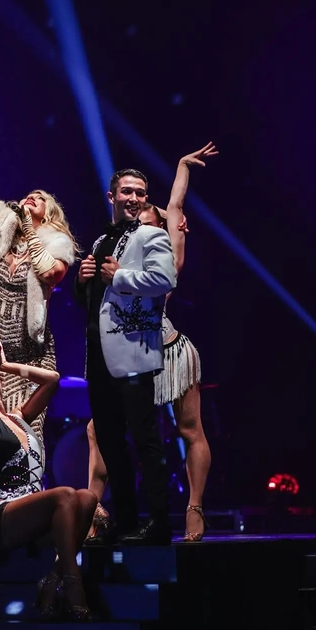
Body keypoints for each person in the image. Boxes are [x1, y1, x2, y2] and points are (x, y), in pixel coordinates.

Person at [85, 143, 218, 543]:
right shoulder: (114, 242)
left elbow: (175, 203)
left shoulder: (163, 238)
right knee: (101, 431)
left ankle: (194, 507)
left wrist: (180, 166)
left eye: (147, 205)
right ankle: (97, 509)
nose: (141, 209)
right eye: (130, 198)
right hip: (121, 348)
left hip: (165, 345)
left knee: (186, 429)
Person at [0, 332, 98, 620]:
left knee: (88, 498)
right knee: (66, 494)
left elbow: (52, 379)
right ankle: (73, 584)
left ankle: (53, 579)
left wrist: (4, 363)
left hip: (33, 512)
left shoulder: (18, 416)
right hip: (3, 515)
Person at [0, 95, 78, 447]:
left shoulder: (57, 244)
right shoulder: (1, 237)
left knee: (25, 432)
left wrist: (29, 228)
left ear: (50, 214)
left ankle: (29, 500)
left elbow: (50, 274)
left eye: (39, 198)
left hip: (28, 348)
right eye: (28, 195)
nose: (30, 197)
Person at [74, 168, 177, 545]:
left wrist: (120, 276)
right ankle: (128, 521)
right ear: (111, 196)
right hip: (100, 356)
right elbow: (92, 304)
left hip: (134, 351)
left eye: (140, 193)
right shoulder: (102, 239)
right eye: (127, 192)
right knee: (111, 441)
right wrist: (82, 280)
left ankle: (161, 522)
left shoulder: (152, 235)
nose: (134, 198)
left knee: (145, 439)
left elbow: (165, 279)